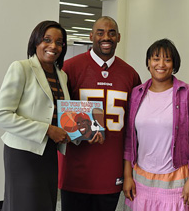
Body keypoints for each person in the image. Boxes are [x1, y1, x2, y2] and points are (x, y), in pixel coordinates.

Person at [58, 16, 141, 211]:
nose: (106, 37)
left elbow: (133, 126)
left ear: (119, 37)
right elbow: (58, 114)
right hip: (76, 167)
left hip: (111, 167)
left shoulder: (130, 74)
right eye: (100, 32)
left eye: (112, 33)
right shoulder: (69, 68)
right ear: (91, 36)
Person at [0, 20, 71, 211]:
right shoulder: (21, 68)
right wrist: (47, 130)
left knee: (45, 204)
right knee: (25, 204)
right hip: (23, 153)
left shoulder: (62, 75)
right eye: (47, 40)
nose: (53, 46)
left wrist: (80, 133)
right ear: (36, 42)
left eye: (59, 42)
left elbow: (60, 114)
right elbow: (1, 115)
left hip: (49, 152)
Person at [123, 39, 189, 210]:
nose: (161, 64)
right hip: (142, 177)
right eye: (156, 58)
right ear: (148, 62)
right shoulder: (136, 93)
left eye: (167, 60)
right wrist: (127, 176)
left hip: (178, 178)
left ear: (174, 64)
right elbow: (130, 139)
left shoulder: (188, 93)